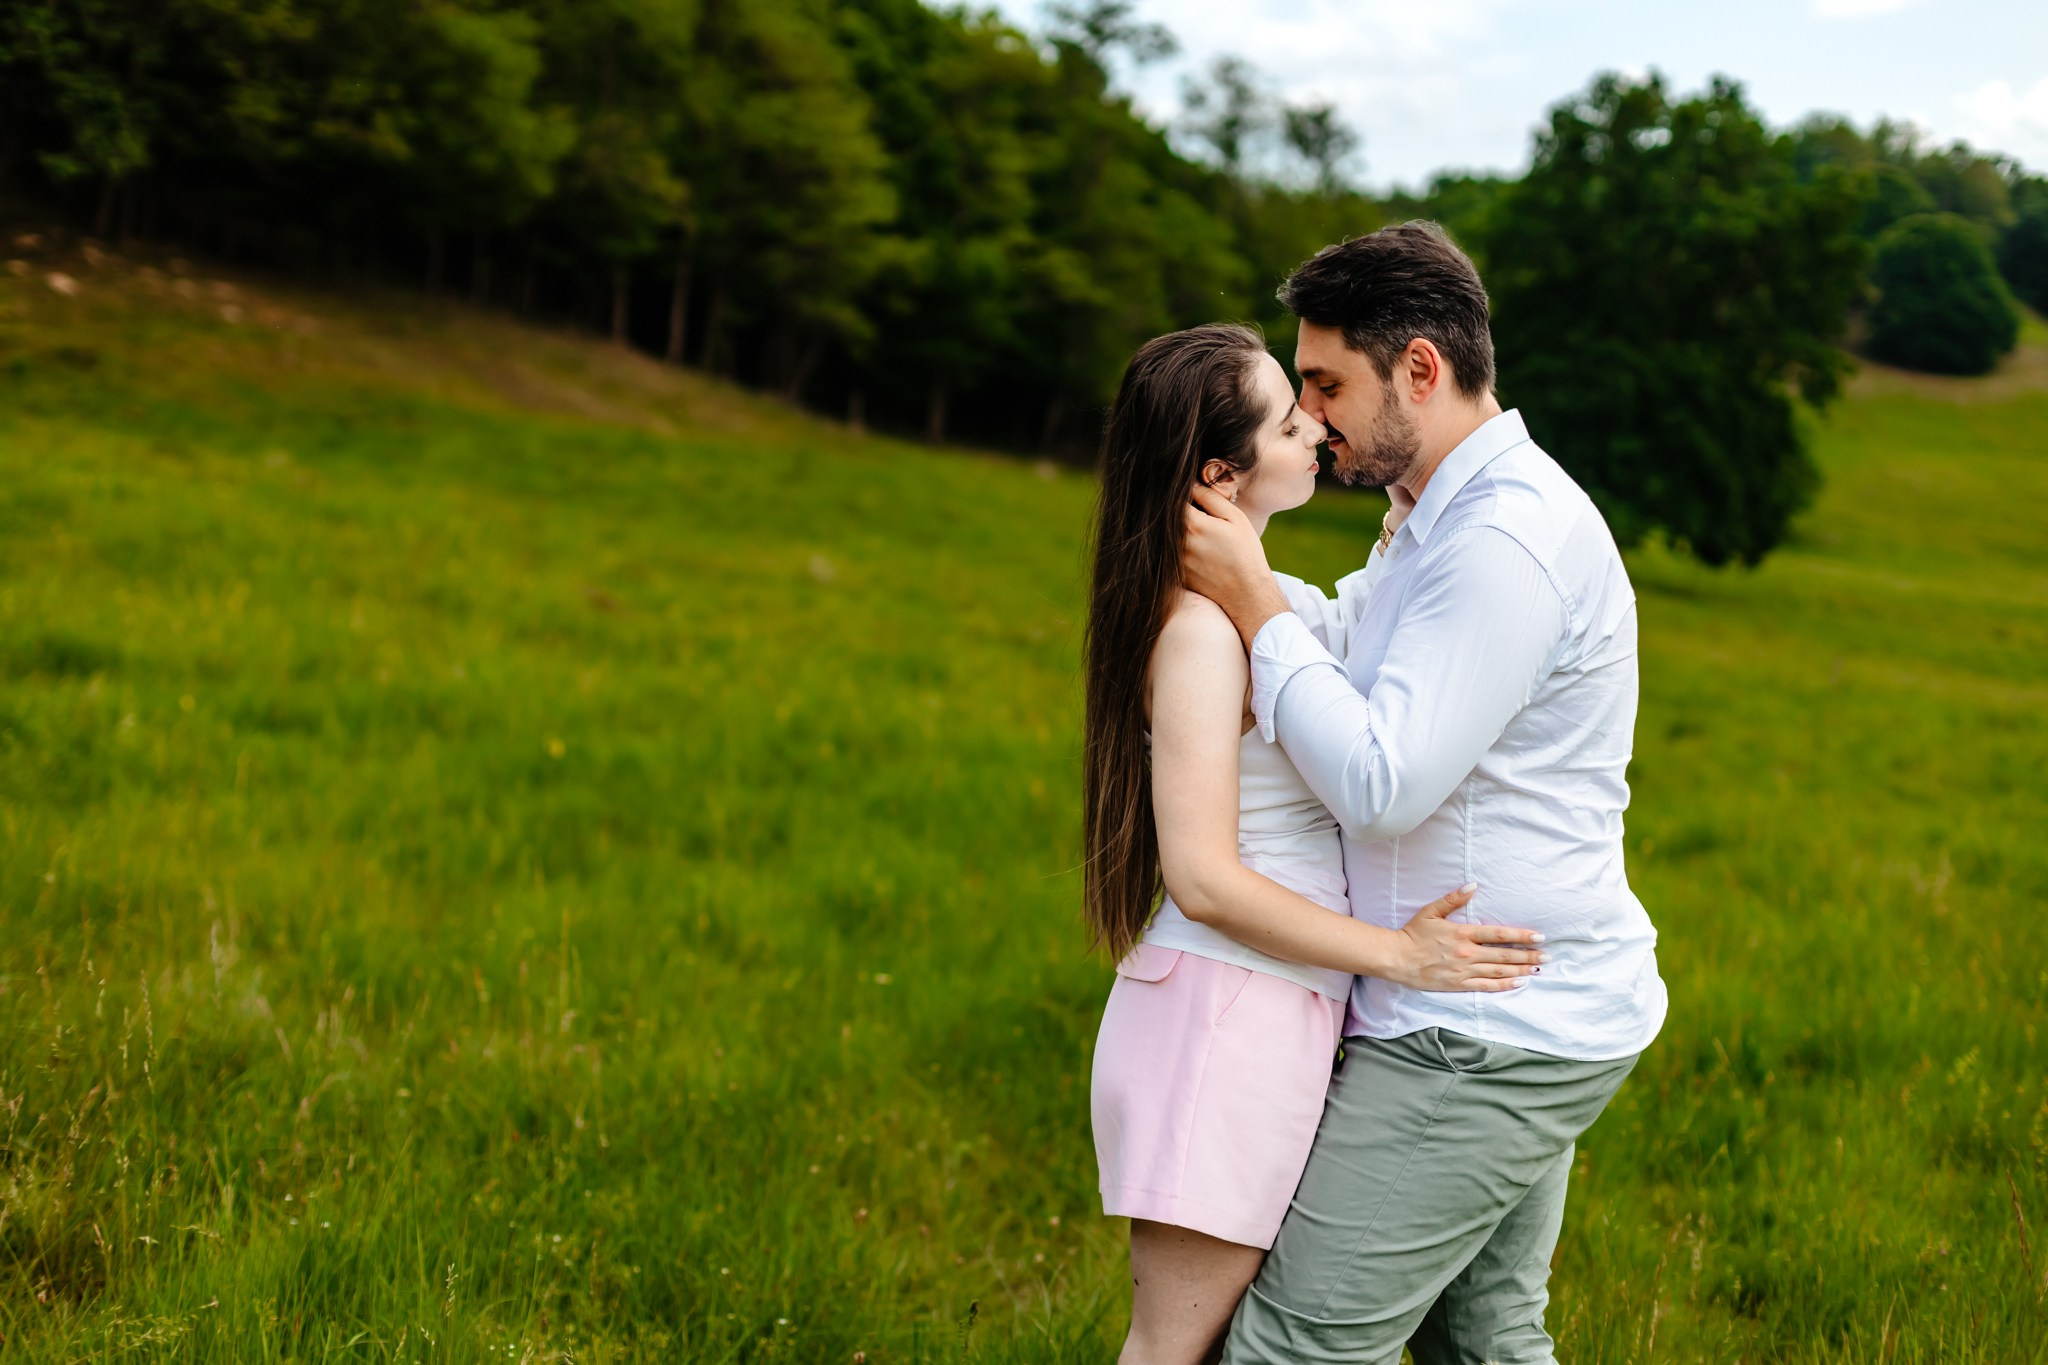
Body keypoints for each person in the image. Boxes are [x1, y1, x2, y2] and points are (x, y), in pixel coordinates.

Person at [1179, 222, 1668, 1364]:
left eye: (1325, 384)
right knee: (1483, 1342)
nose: (1311, 416)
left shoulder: (1503, 538)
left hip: (1482, 1033)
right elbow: (1344, 649)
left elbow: (1381, 781)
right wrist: (1234, 577)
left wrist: (1253, 604)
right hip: (1492, 1009)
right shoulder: (1432, 516)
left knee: (1293, 1351)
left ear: (1418, 369)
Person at [1082, 322, 1549, 1365]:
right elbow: (1202, 878)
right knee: (1174, 1349)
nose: (1313, 429)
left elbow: (1339, 630)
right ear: (1221, 475)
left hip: (1263, 1011)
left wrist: (1412, 500)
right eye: (1287, 421)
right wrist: (1399, 955)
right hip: (1220, 1019)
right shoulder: (1199, 634)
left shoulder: (1251, 604)